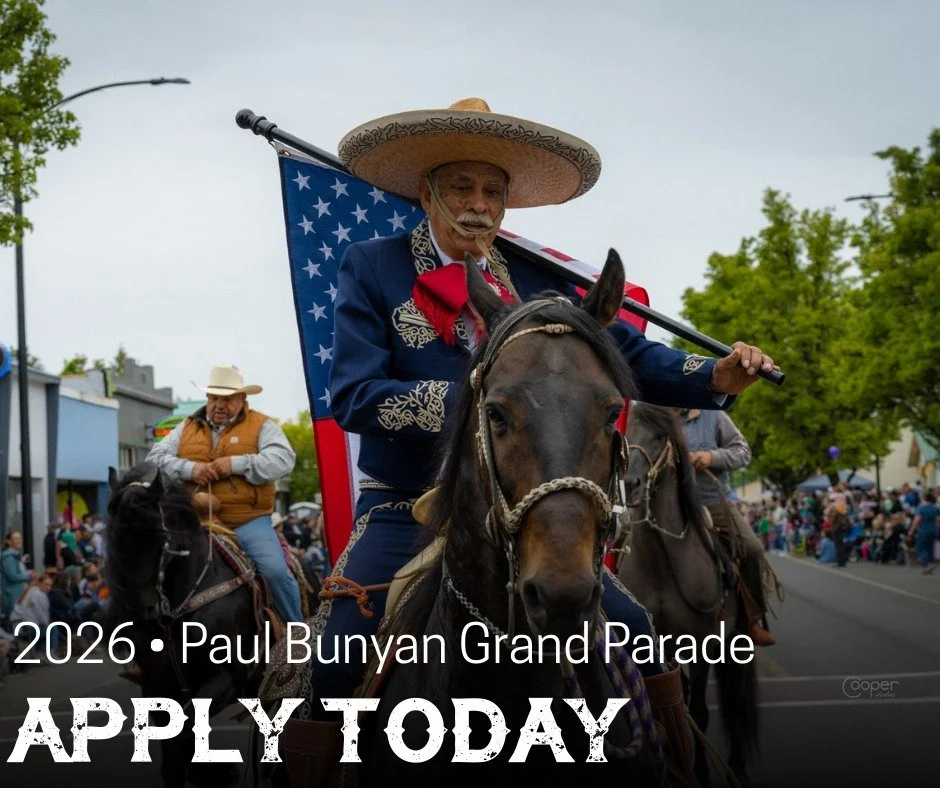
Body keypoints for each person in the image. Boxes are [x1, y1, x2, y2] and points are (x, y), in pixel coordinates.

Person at [282, 97, 777, 783]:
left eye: (492, 190)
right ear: (427, 191)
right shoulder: (374, 266)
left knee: (638, 633)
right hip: (408, 506)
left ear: (508, 203)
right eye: (460, 186)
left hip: (525, 513)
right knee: (337, 658)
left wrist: (713, 375)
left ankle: (679, 767)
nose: (477, 204)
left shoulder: (541, 278)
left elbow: (627, 353)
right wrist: (483, 406)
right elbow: (354, 396)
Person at [146, 364, 302, 623]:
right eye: (214, 397)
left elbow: (283, 460)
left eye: (228, 398)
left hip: (247, 521)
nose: (220, 404)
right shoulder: (185, 428)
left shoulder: (262, 425)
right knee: (149, 566)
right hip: (192, 521)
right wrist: (189, 469)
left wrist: (237, 464)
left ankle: (297, 634)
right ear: (207, 398)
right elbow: (154, 459)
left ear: (242, 399)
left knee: (275, 571)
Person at [677, 407, 776, 645]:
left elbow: (743, 452)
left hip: (712, 501)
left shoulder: (714, 416)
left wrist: (711, 457)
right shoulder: (654, 414)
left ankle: (752, 619)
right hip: (668, 503)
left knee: (753, 550)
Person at [1, 531, 33, 620]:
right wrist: (28, 576)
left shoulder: (13, 556)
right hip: (13, 596)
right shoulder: (8, 557)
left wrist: (28, 572)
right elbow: (13, 576)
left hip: (18, 595)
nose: (20, 540)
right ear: (8, 541)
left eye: (20, 538)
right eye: (16, 538)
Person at [909, 492, 938, 575]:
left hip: (923, 530)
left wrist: (911, 530)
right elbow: (938, 519)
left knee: (920, 548)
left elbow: (917, 520)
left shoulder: (921, 508)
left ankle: (926, 563)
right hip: (933, 529)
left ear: (925, 498)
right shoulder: (935, 508)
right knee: (930, 548)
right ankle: (930, 564)